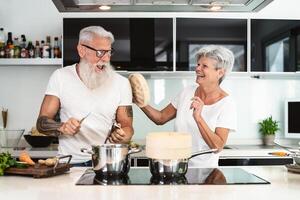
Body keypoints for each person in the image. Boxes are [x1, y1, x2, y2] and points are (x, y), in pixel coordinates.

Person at [36, 26, 134, 165]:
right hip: (69, 164)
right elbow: (41, 123)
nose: (106, 59)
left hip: (107, 163)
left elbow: (128, 127)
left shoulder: (122, 83)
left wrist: (122, 135)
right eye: (100, 52)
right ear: (82, 50)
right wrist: (62, 127)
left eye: (109, 52)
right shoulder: (60, 77)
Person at [136, 45, 237, 168]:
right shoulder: (187, 92)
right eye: (198, 64)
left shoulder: (226, 104)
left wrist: (198, 118)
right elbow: (160, 118)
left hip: (204, 172)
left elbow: (218, 147)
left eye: (204, 66)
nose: (197, 69)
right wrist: (139, 101)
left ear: (220, 72)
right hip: (177, 166)